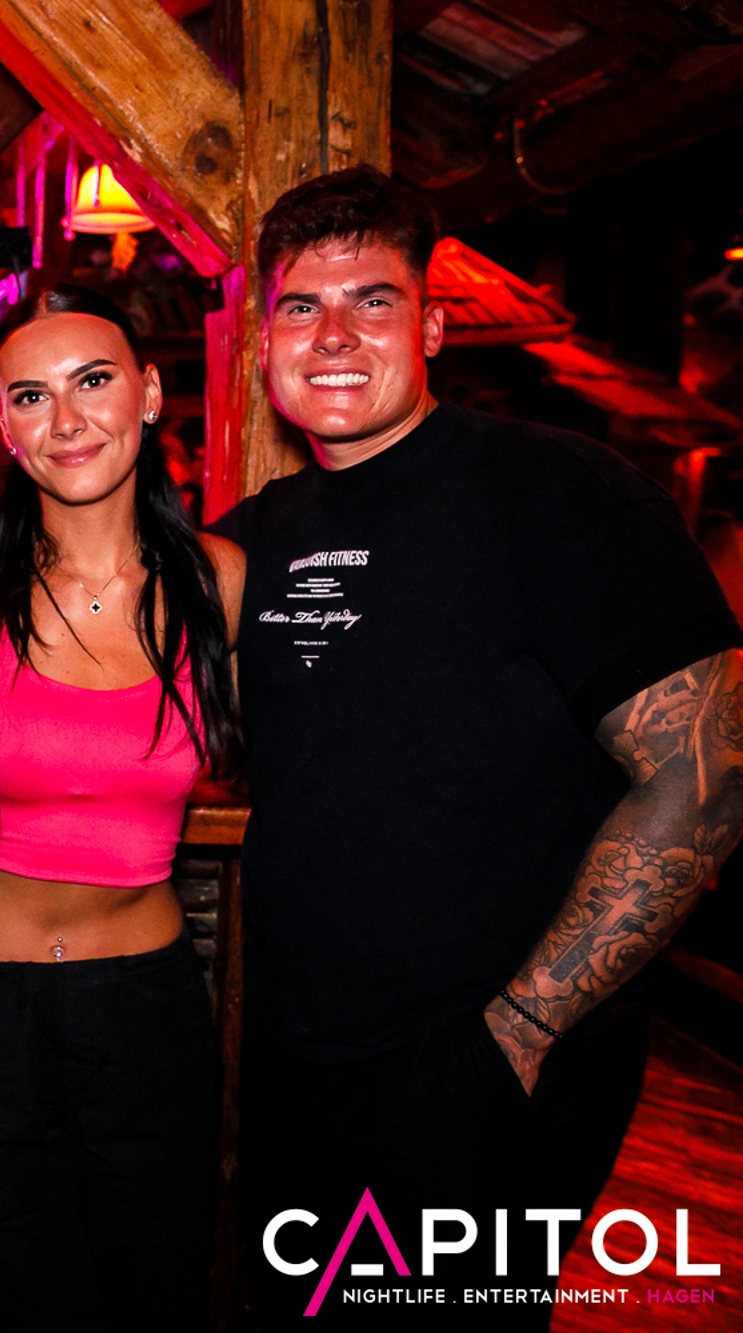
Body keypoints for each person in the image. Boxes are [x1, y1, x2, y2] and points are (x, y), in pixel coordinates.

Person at [207, 167, 743, 1326]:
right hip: (300, 1066)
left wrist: (519, 1030)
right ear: (264, 343)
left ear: (431, 326)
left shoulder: (559, 494)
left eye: (372, 301)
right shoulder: (253, 538)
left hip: (484, 1060)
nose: (332, 334)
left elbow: (701, 780)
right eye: (300, 306)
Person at [0, 285, 243, 1332]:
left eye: (93, 381)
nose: (67, 418)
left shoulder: (218, 583)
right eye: (30, 396)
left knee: (152, 1293)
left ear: (149, 393)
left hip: (142, 1011)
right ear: (4, 426)